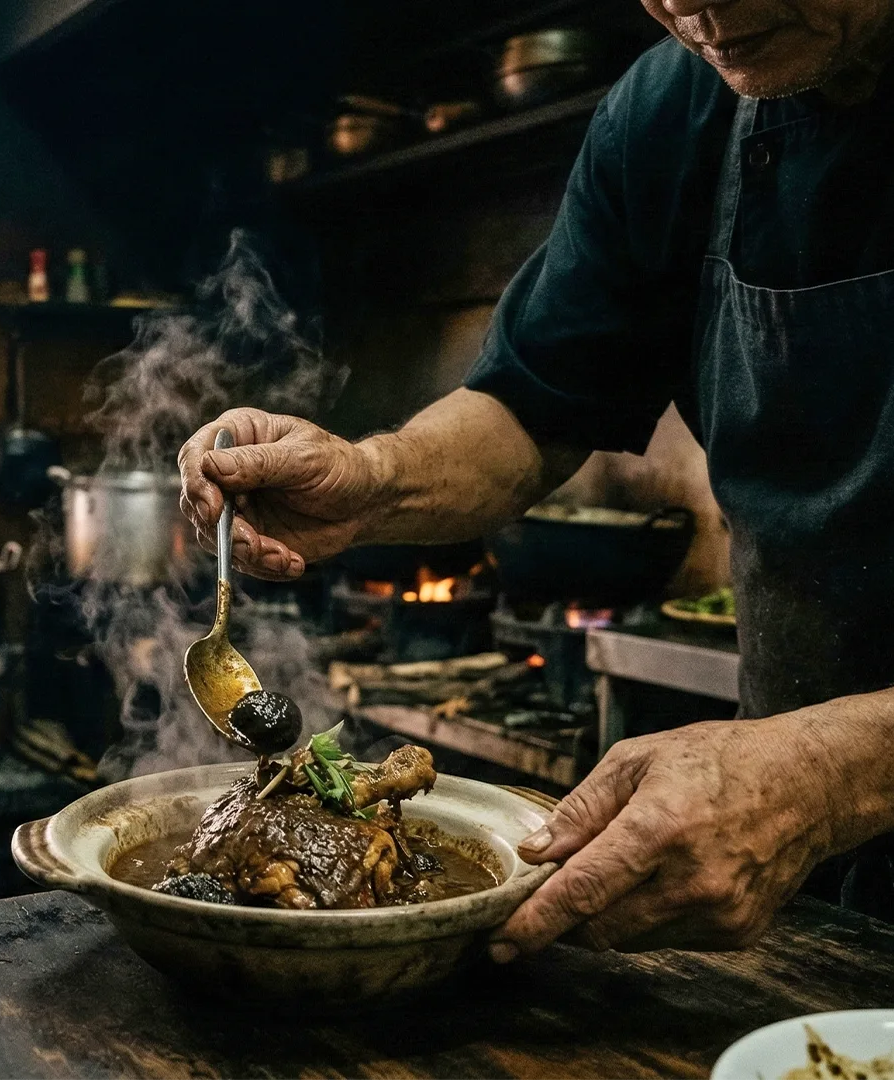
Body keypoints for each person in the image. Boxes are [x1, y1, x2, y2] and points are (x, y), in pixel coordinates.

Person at [180, 0, 894, 963]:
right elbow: (532, 406)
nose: (694, 4)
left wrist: (834, 769)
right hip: (803, 853)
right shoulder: (672, 108)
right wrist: (371, 478)